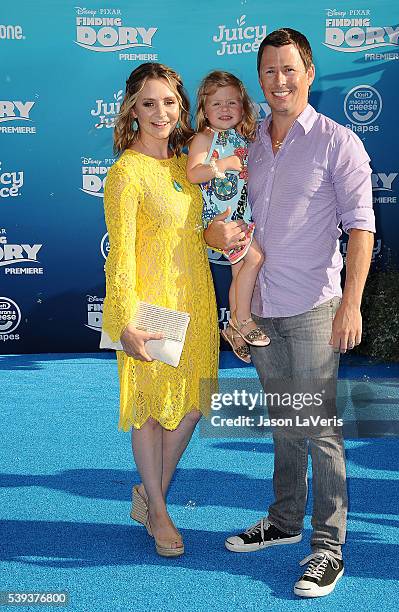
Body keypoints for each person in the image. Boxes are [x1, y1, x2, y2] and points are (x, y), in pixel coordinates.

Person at [204, 28, 375, 597]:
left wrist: (350, 304)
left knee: (320, 430)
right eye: (270, 71)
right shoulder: (245, 144)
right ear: (260, 79)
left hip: (312, 306)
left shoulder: (338, 142)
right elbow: (225, 220)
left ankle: (328, 547)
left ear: (309, 72)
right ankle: (282, 522)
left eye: (290, 69)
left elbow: (361, 228)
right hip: (261, 307)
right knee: (284, 422)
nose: (280, 80)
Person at [102, 62, 218, 558]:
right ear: (132, 109)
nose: (160, 112)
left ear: (181, 106)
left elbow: (203, 229)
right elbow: (120, 252)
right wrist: (124, 322)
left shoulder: (184, 164)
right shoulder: (125, 172)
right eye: (148, 103)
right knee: (150, 414)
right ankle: (161, 515)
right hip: (150, 305)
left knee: (190, 407)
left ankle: (150, 497)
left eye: (168, 102)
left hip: (196, 297)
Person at [187, 70, 270, 364]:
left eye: (232, 104)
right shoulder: (204, 138)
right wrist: (223, 163)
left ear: (243, 107)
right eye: (217, 104)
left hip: (242, 215)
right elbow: (194, 173)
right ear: (204, 109)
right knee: (255, 259)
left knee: (241, 271)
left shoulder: (240, 137)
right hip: (224, 219)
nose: (224, 110)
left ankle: (234, 330)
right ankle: (243, 321)